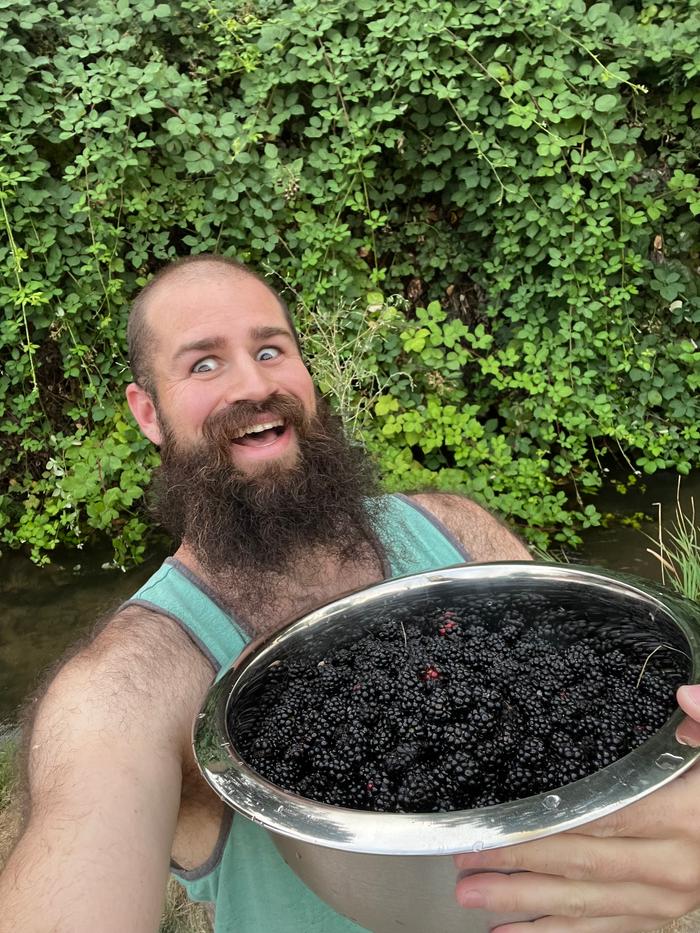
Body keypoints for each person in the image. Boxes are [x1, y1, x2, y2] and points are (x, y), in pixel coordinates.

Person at [0, 254, 698, 933]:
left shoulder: (457, 530)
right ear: (147, 412)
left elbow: (583, 706)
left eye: (271, 350)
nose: (253, 384)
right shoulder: (134, 680)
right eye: (203, 363)